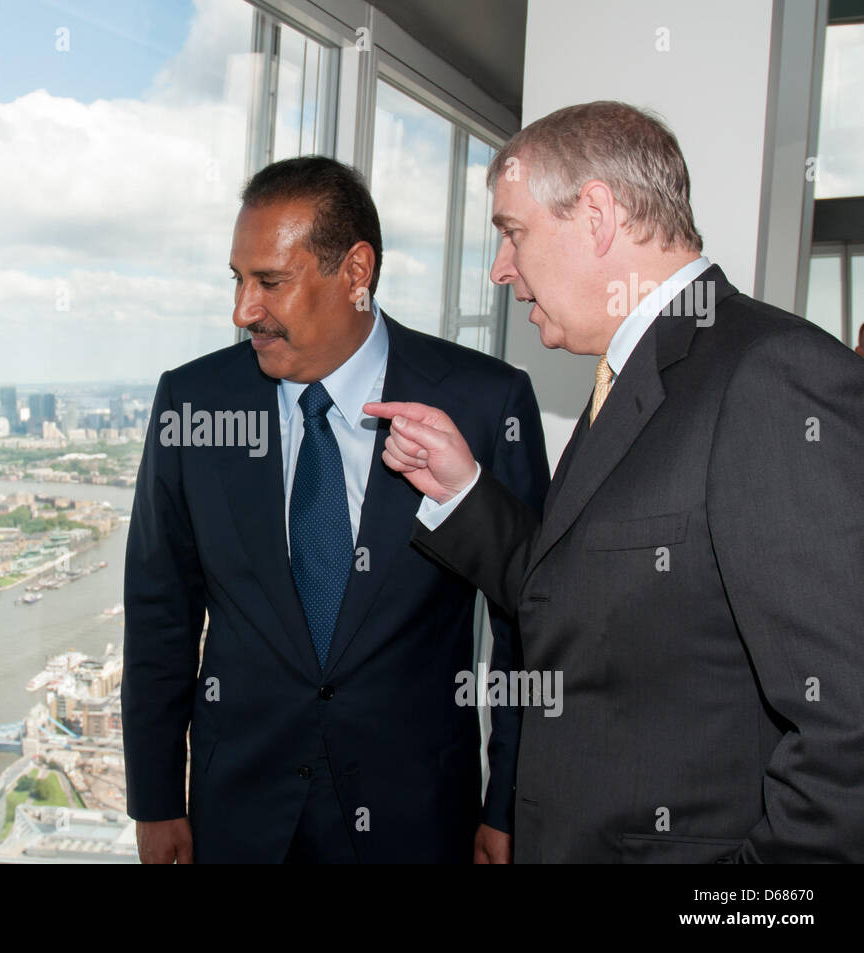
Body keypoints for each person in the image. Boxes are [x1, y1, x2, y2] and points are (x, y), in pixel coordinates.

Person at [367, 101, 864, 862]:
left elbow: (848, 735)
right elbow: (588, 598)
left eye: (512, 231)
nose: (501, 270)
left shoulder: (770, 376)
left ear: (595, 215)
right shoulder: (630, 377)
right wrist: (463, 489)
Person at [121, 156, 549, 863]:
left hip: (417, 817)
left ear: (355, 271)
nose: (242, 310)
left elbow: (527, 623)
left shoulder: (484, 403)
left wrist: (507, 806)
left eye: (270, 282)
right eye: (237, 278)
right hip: (237, 816)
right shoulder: (193, 405)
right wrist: (157, 798)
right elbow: (160, 613)